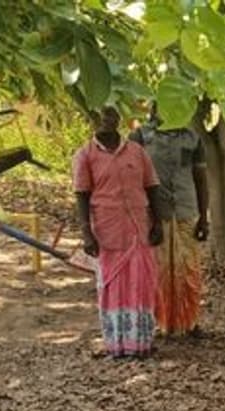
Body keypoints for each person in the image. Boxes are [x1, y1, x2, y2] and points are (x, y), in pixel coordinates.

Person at [74, 106, 165, 359]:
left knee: (141, 283)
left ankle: (141, 342)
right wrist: (86, 233)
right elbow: (82, 195)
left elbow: (152, 187)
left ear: (118, 120)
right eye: (101, 116)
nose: (106, 120)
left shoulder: (136, 152)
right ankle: (117, 344)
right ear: (93, 120)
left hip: (138, 229)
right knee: (112, 286)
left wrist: (158, 222)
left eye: (111, 116)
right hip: (108, 231)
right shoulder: (85, 155)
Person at [130, 103, 209, 337]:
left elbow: (200, 178)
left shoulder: (192, 138)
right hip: (155, 214)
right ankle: (159, 323)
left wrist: (204, 217)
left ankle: (189, 322)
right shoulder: (140, 137)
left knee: (188, 268)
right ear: (154, 109)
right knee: (158, 270)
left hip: (186, 210)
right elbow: (133, 179)